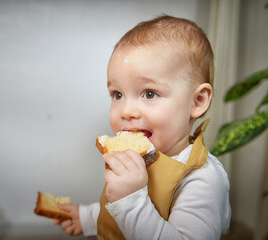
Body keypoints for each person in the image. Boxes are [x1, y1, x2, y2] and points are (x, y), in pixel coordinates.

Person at [54, 15, 231, 239]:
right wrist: (87, 217)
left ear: (197, 101)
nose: (126, 111)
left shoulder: (201, 178)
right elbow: (117, 209)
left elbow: (135, 207)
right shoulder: (144, 155)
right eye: (117, 94)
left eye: (149, 93)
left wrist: (130, 200)